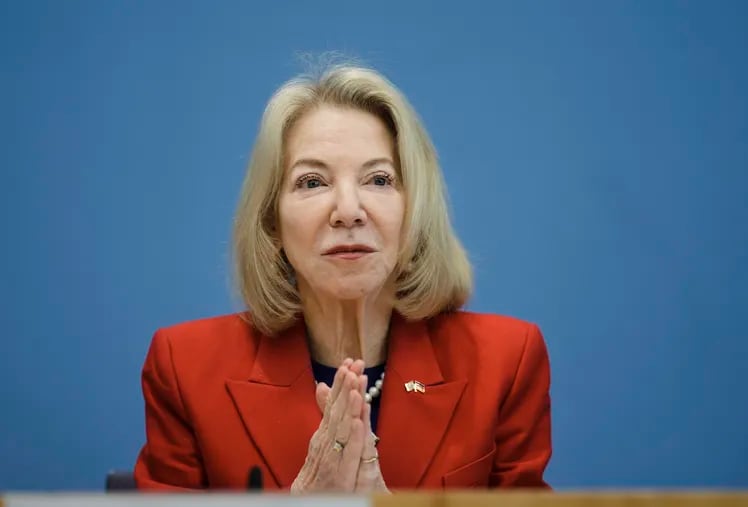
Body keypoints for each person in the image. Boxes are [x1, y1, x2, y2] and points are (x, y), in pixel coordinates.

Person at [133, 62, 552, 492]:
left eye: (379, 179)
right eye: (312, 182)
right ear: (272, 223)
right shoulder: (184, 369)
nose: (349, 210)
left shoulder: (506, 363)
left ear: (415, 212)